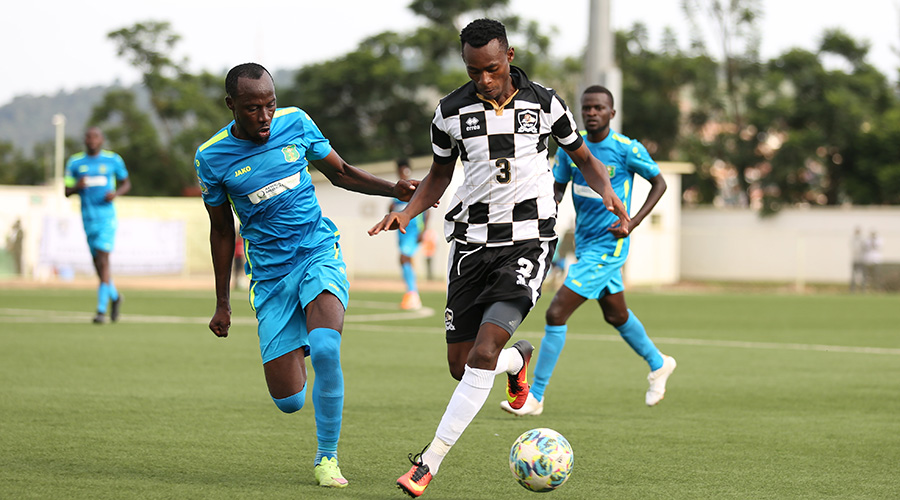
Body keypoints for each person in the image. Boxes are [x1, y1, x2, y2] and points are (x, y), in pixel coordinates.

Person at [368, 20, 629, 498]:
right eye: (473, 71)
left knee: (482, 353)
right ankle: (518, 359)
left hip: (529, 241)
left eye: (491, 69)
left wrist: (608, 191)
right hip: (470, 244)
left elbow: (584, 158)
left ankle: (428, 462)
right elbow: (439, 175)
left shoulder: (546, 103)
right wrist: (406, 212)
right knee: (462, 364)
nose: (484, 80)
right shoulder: (449, 112)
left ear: (509, 56)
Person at [194, 63, 417, 489]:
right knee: (290, 401)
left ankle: (326, 457)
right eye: (253, 108)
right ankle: (301, 333)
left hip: (317, 252)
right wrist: (222, 303)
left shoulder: (296, 123)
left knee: (327, 348)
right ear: (231, 106)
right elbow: (221, 230)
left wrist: (393, 189)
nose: (265, 117)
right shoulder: (211, 157)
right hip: (270, 277)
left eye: (270, 105)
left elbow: (341, 172)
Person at [500, 85, 674, 415]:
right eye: (587, 108)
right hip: (585, 244)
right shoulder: (571, 147)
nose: (592, 113)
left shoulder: (626, 149)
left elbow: (660, 183)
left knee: (556, 312)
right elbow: (557, 188)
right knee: (616, 314)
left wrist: (632, 222)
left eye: (599, 108)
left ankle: (535, 396)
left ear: (612, 113)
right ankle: (658, 363)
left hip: (610, 245)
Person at [64, 127, 131, 324]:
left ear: (102, 140)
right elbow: (66, 191)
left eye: (96, 137)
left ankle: (101, 311)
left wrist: (116, 194)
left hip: (106, 219)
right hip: (88, 219)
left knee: (103, 261)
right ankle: (115, 296)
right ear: (84, 140)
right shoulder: (75, 162)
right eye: (89, 137)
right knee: (98, 265)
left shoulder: (113, 160)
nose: (92, 140)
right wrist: (77, 187)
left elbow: (126, 183)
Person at [390, 158, 428, 309]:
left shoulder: (414, 189)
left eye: (405, 171)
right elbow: (393, 209)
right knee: (405, 260)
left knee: (404, 257)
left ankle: (413, 294)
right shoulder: (397, 191)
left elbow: (426, 210)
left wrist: (424, 230)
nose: (403, 174)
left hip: (413, 231)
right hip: (402, 232)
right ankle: (411, 293)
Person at [850, 226, 866, 292]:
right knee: (853, 275)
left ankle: (863, 289)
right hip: (855, 259)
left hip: (861, 259)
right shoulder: (853, 239)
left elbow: (864, 248)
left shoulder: (862, 239)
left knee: (862, 275)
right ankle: (852, 289)